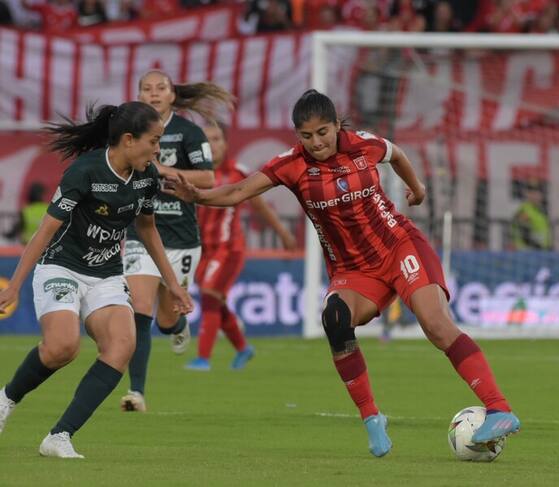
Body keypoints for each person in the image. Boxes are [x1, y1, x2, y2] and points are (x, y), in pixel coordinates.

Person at [163, 89, 521, 457]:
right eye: (306, 136)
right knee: (335, 319)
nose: (316, 142)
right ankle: (372, 418)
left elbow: (397, 154)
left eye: (323, 132)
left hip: (399, 246)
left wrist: (416, 189)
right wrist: (197, 196)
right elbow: (239, 191)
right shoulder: (291, 165)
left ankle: (499, 409)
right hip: (353, 270)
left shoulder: (364, 145)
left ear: (336, 125)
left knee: (435, 324)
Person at [0, 101, 193, 459]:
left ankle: (59, 436)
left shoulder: (147, 177)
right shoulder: (85, 171)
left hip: (106, 273)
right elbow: (44, 231)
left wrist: (173, 284)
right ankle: (6, 399)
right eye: (154, 141)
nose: (158, 150)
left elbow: (147, 229)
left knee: (122, 345)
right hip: (61, 266)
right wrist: (14, 285)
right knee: (62, 347)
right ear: (129, 139)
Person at [120, 70, 233, 413]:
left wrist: (163, 170)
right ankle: (136, 392)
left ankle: (178, 326)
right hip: (141, 231)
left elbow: (208, 178)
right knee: (140, 307)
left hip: (181, 237)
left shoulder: (188, 132)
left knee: (167, 319)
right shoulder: (129, 132)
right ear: (139, 95)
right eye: (147, 88)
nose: (153, 93)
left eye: (160, 88)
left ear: (172, 95)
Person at [185, 122, 297, 372]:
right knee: (215, 300)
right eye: (206, 140)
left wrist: (282, 232)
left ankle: (203, 358)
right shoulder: (194, 175)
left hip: (228, 249)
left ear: (226, 143)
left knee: (210, 296)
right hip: (203, 250)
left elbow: (260, 207)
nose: (212, 145)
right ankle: (243, 348)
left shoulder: (237, 173)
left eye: (216, 139)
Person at [511, 180, 552, 250]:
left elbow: (546, 234)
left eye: (537, 192)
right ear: (526, 194)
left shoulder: (541, 211)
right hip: (526, 252)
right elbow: (524, 235)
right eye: (531, 192)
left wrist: (548, 248)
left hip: (542, 252)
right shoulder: (524, 211)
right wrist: (539, 247)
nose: (534, 195)